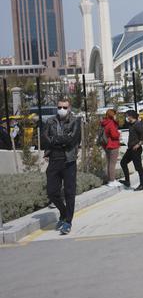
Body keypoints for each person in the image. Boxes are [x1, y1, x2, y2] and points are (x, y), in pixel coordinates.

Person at [42, 97, 81, 235]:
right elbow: (45, 138)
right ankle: (63, 213)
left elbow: (72, 139)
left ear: (69, 108)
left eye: (65, 107)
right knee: (52, 192)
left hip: (68, 161)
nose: (62, 110)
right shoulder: (50, 121)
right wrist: (59, 141)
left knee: (70, 193)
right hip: (53, 160)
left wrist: (55, 140)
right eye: (60, 107)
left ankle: (68, 222)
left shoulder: (76, 121)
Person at [120, 110, 143, 191]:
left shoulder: (137, 124)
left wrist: (138, 144)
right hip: (130, 149)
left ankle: (142, 185)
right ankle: (127, 181)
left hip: (136, 149)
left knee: (138, 167)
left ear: (131, 116)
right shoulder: (131, 124)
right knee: (123, 162)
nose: (127, 117)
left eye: (127, 116)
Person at [101, 109, 121, 187]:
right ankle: (112, 180)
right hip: (113, 145)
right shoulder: (111, 123)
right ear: (112, 115)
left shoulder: (104, 122)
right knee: (112, 163)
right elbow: (114, 135)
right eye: (115, 114)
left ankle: (111, 179)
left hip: (106, 145)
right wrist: (119, 134)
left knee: (109, 163)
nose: (116, 116)